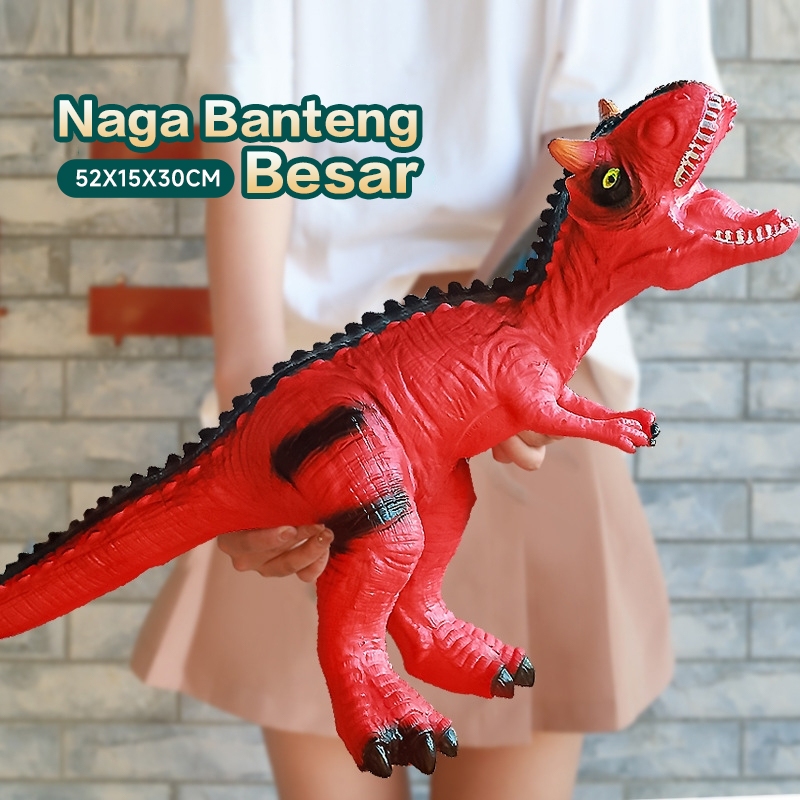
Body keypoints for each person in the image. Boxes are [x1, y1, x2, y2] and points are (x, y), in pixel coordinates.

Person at [132, 2, 721, 798]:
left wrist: (482, 350)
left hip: (473, 372)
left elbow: (608, 150)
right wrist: (248, 400)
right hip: (329, 384)